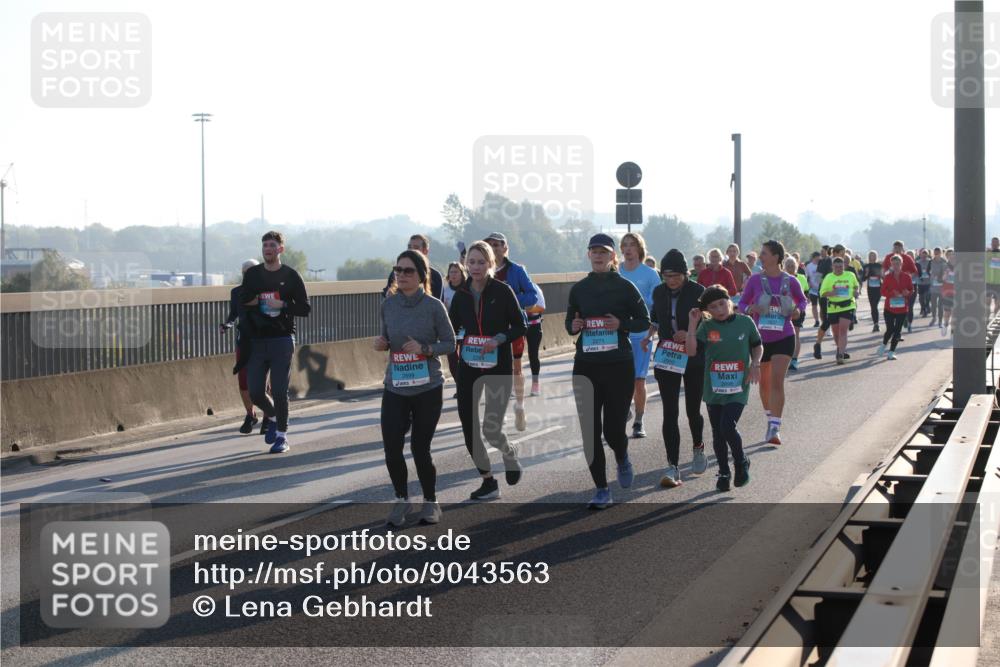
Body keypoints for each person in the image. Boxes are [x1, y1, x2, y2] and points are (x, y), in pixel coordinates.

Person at [567, 233, 650, 509]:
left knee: (613, 430)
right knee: (590, 432)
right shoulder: (579, 289)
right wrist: (574, 326)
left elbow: (643, 321)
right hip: (586, 366)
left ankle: (622, 455)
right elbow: (570, 321)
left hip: (618, 365)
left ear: (613, 256)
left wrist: (622, 324)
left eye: (604, 251)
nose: (598, 255)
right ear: (588, 255)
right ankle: (602, 489)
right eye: (594, 251)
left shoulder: (625, 287)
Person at [375, 250, 456, 526]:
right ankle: (401, 499)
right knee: (391, 448)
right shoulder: (389, 305)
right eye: (398, 269)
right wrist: (382, 343)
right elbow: (387, 337)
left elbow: (450, 343)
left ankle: (431, 502)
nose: (401, 275)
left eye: (408, 270)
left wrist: (425, 349)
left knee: (420, 448)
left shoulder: (434, 306)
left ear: (422, 275)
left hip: (427, 387)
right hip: (396, 385)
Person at [450, 241, 526, 500]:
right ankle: (488, 482)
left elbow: (520, 325)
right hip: (469, 367)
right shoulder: (460, 295)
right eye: (471, 262)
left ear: (491, 264)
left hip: (498, 365)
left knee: (491, 429)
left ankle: (508, 452)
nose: (476, 267)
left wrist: (500, 338)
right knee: (468, 427)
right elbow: (451, 330)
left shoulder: (503, 291)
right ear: (465, 264)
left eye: (481, 262)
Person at [240, 231, 312, 453]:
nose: (267, 249)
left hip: (282, 339)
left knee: (280, 390)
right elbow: (242, 298)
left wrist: (283, 306)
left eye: (272, 245)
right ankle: (271, 416)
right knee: (255, 392)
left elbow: (305, 308)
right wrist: (256, 300)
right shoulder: (253, 275)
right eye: (264, 246)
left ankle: (282, 436)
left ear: (280, 249)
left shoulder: (291, 276)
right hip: (257, 340)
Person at [686, 286, 762, 491]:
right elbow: (691, 351)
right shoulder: (706, 327)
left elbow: (757, 345)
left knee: (727, 426)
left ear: (729, 301)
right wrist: (693, 324)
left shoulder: (745, 322)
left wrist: (755, 363)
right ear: (707, 310)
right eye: (713, 306)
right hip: (714, 388)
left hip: (739, 386)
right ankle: (723, 471)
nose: (719, 309)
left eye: (722, 303)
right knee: (718, 433)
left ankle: (740, 461)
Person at [642, 249, 707, 487]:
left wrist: (689, 332)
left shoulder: (699, 292)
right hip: (668, 354)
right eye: (667, 276)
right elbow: (656, 318)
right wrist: (649, 337)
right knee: (670, 411)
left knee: (692, 410)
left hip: (693, 355)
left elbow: (709, 323)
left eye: (676, 276)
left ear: (685, 273)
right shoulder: (658, 292)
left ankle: (698, 446)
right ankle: (673, 466)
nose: (671, 281)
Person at [739, 241, 807, 445]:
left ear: (776, 257)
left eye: (765, 254)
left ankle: (775, 428)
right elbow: (742, 304)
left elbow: (802, 301)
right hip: (760, 339)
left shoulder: (790, 281)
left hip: (784, 336)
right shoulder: (754, 280)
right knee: (765, 383)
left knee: (777, 381)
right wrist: (751, 309)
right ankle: (770, 418)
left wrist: (798, 311)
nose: (760, 257)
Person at [485, 232, 540, 432]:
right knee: (493, 370)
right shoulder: (482, 270)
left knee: (515, 368)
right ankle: (499, 410)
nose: (494, 247)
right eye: (490, 244)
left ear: (505, 248)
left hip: (513, 326)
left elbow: (532, 296)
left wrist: (510, 300)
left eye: (498, 244)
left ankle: (519, 405)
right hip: (489, 329)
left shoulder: (517, 270)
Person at [619, 232, 661, 438]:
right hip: (618, 333)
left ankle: (638, 420)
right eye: (624, 245)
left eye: (632, 245)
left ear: (639, 249)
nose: (628, 249)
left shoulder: (650, 274)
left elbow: (656, 305)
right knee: (618, 379)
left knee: (638, 380)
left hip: (641, 334)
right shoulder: (615, 272)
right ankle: (623, 410)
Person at [220, 259, 261, 434]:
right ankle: (250, 415)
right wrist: (227, 324)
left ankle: (269, 417)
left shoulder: (265, 291)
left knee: (263, 384)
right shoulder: (236, 292)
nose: (248, 274)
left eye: (252, 271)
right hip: (243, 340)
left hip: (263, 341)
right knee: (243, 382)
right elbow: (233, 314)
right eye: (245, 271)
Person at [818, 257, 859, 365]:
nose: (838, 269)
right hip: (833, 307)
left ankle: (840, 355)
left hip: (848, 306)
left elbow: (856, 286)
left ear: (844, 266)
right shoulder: (828, 277)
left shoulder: (850, 275)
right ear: (832, 267)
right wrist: (832, 293)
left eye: (840, 266)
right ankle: (841, 349)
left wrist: (856, 292)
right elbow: (822, 293)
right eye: (836, 267)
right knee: (836, 334)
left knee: (843, 331)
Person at [875, 254, 913, 360]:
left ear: (901, 264)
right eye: (894, 264)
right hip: (889, 308)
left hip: (902, 308)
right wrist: (892, 293)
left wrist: (907, 292)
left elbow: (911, 290)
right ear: (891, 265)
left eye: (898, 263)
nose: (896, 266)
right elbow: (882, 291)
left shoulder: (907, 277)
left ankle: (891, 352)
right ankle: (883, 345)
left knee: (897, 331)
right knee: (890, 329)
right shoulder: (887, 277)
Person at [383, 234, 443, 300]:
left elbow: (435, 305)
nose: (411, 250)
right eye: (409, 247)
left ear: (425, 251)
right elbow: (388, 294)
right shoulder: (397, 272)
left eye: (416, 247)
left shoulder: (435, 276)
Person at [881, 241, 918, 333]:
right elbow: (883, 271)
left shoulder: (907, 258)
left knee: (909, 307)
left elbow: (915, 271)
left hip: (905, 287)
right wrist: (886, 275)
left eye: (899, 247)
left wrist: (908, 276)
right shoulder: (888, 257)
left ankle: (909, 323)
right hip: (893, 287)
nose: (897, 249)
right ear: (893, 248)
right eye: (895, 247)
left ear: (902, 248)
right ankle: (897, 328)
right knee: (894, 308)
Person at [441, 261, 467, 383]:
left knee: (463, 357)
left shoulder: (468, 289)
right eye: (451, 272)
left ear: (462, 274)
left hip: (464, 328)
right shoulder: (444, 291)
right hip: (449, 327)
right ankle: (459, 384)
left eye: (456, 272)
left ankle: (465, 384)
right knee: (452, 358)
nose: (453, 275)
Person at [785, 256, 809, 370]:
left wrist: (800, 307)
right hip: (783, 311)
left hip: (797, 310)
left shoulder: (802, 278)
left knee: (796, 334)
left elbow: (806, 294)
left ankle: (794, 360)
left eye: (792, 266)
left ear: (796, 267)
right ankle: (785, 358)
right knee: (785, 335)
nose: (790, 268)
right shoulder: (781, 278)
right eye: (788, 266)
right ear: (784, 267)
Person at [524, 281, 545, 396]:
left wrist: (525, 310)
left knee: (533, 355)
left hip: (534, 325)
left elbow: (541, 307)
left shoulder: (534, 287)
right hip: (517, 326)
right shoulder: (511, 287)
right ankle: (514, 384)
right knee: (513, 357)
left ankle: (535, 383)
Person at [860, 250, 884, 333]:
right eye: (870, 256)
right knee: (873, 306)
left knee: (875, 305)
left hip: (878, 288)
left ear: (876, 257)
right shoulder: (866, 266)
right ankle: (875, 324)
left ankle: (876, 323)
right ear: (869, 257)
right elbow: (863, 279)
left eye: (873, 256)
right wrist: (866, 274)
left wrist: (881, 275)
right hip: (870, 288)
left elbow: (883, 277)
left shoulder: (879, 265)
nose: (872, 257)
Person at [929, 247, 947, 327]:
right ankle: (934, 318)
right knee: (933, 304)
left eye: (938, 253)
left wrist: (940, 277)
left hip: (942, 286)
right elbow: (927, 271)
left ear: (941, 253)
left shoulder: (944, 262)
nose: (936, 254)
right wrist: (931, 276)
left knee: (940, 305)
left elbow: (947, 272)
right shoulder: (931, 262)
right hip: (933, 286)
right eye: (935, 253)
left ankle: (940, 321)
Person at [940, 249, 956, 336]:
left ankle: (953, 331)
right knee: (947, 313)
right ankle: (945, 325)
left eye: (953, 256)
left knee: (954, 312)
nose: (952, 257)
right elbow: (941, 279)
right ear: (947, 257)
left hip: (957, 292)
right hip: (947, 292)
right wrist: (945, 274)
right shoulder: (944, 266)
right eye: (950, 256)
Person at [805, 251, 822, 327]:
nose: (818, 260)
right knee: (814, 305)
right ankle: (817, 321)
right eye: (817, 258)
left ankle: (823, 320)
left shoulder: (822, 265)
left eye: (819, 258)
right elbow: (807, 277)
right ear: (813, 258)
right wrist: (809, 284)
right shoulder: (809, 266)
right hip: (812, 289)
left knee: (822, 306)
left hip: (821, 289)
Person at [916, 249, 932, 317]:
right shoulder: (917, 262)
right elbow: (915, 272)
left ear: (928, 254)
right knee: (921, 297)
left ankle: (927, 306)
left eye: (925, 253)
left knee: (928, 296)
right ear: (920, 254)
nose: (924, 255)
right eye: (923, 253)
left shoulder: (930, 262)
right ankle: (923, 307)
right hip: (920, 282)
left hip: (929, 282)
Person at [987, 237, 1000, 316]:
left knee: (997, 304)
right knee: (986, 303)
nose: (994, 244)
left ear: (999, 244)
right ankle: (986, 320)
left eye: (996, 243)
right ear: (991, 244)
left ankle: (995, 318)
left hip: (998, 283)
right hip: (988, 282)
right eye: (993, 243)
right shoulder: (987, 253)